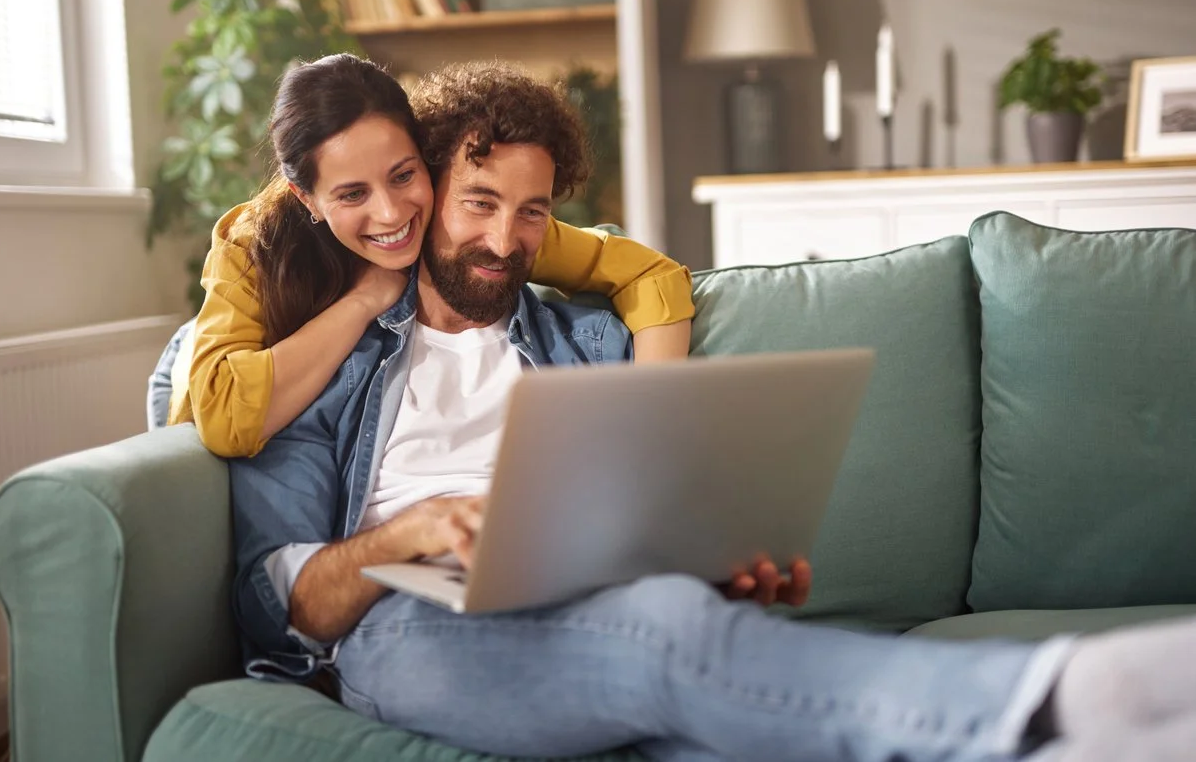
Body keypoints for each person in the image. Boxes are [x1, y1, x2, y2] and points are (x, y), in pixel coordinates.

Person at [230, 63, 1196, 762]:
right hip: (408, 626)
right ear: (431, 190)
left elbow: (637, 518)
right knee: (668, 639)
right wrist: (409, 532)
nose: (505, 238)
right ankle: (1057, 696)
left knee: (683, 644)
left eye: (531, 213)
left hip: (598, 608)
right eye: (479, 202)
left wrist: (710, 562)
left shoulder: (586, 341)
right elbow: (291, 607)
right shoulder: (326, 363)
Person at [160, 54, 695, 458]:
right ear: (309, 199)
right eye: (352, 194)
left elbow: (652, 276)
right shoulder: (255, 244)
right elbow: (223, 419)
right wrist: (366, 297)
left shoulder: (474, 228)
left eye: (403, 175)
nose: (392, 214)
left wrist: (647, 412)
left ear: (429, 162)